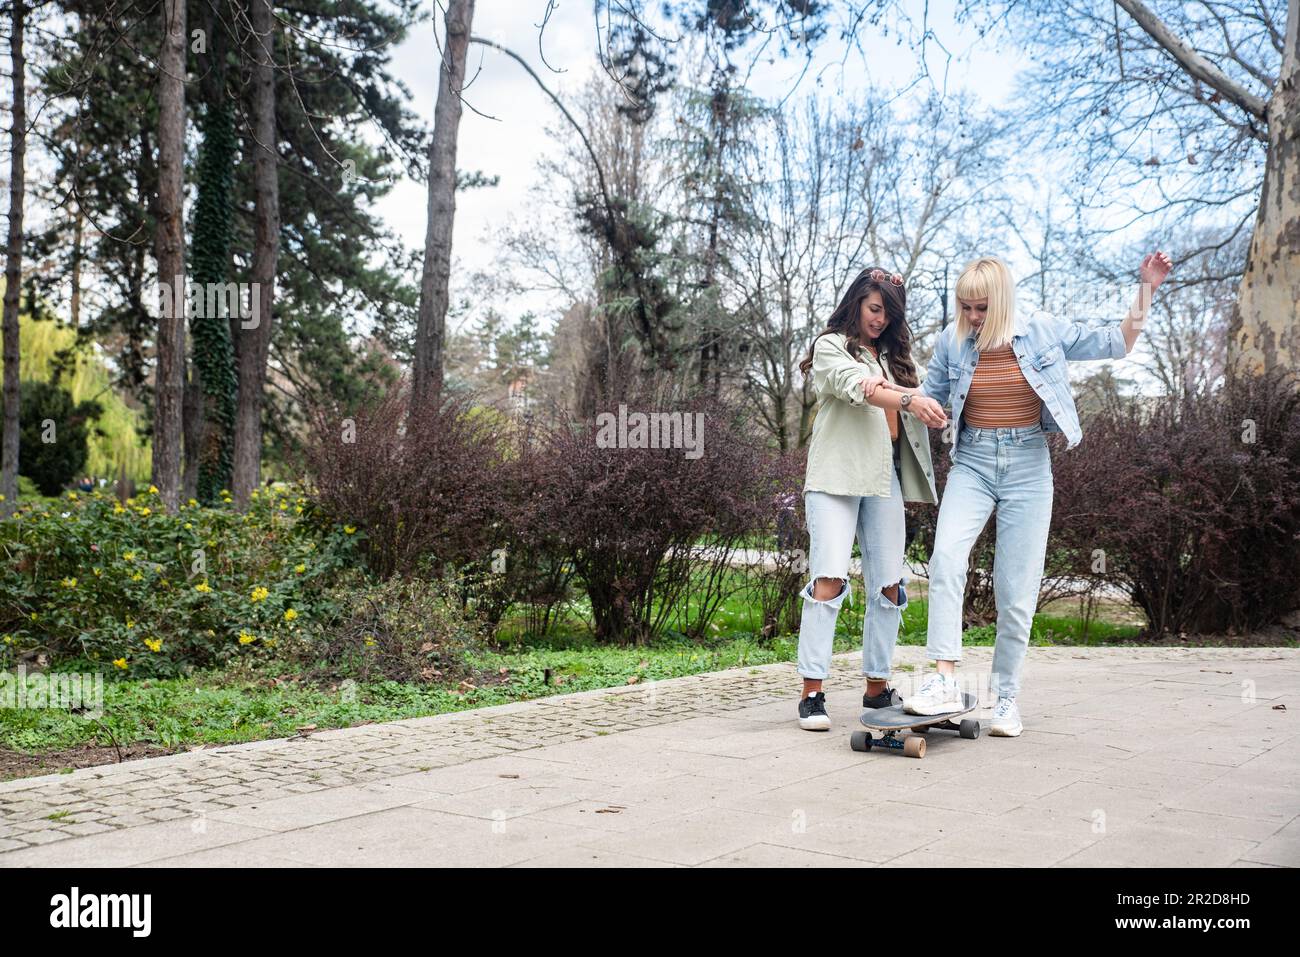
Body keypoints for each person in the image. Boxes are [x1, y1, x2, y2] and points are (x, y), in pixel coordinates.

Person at [880, 252, 1173, 735]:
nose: (973, 318)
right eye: (966, 308)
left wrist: (1147, 288)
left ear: (1002, 301)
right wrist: (916, 404)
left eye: (982, 308)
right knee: (948, 560)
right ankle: (944, 678)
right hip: (972, 461)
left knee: (1015, 590)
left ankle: (1006, 699)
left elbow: (1118, 343)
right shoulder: (953, 342)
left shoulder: (1043, 330)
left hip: (1028, 467)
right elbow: (925, 396)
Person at [794, 266, 948, 731]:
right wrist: (908, 400)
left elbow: (934, 392)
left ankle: (877, 689)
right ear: (857, 301)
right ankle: (812, 694)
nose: (880, 319)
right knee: (829, 580)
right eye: (874, 308)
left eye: (889, 313)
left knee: (889, 587)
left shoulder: (899, 362)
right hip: (835, 478)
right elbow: (857, 386)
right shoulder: (830, 347)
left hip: (884, 482)